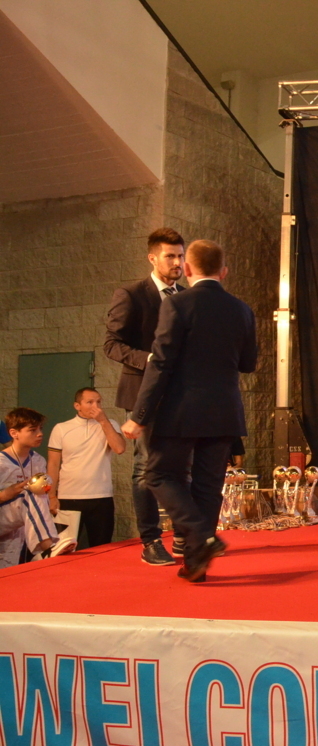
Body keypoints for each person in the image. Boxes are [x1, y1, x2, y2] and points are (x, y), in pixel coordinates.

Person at [122, 240, 258, 583]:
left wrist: (139, 415)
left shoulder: (178, 304)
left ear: (187, 269)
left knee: (158, 475)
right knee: (208, 487)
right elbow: (248, 363)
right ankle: (195, 564)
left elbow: (161, 363)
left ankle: (202, 536)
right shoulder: (242, 309)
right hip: (225, 411)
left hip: (182, 411)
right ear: (224, 271)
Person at [104, 227, 186, 566]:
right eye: (170, 256)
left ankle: (182, 534)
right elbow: (111, 344)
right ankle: (150, 540)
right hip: (142, 393)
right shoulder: (132, 294)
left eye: (181, 256)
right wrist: (149, 359)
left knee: (183, 467)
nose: (177, 262)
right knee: (145, 466)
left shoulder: (187, 296)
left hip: (181, 395)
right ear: (152, 258)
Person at [46, 388, 126, 549]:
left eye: (98, 402)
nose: (96, 406)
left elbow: (119, 448)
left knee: (102, 547)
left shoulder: (110, 424)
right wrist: (52, 496)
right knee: (65, 547)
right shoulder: (61, 428)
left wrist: (103, 421)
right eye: (90, 402)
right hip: (69, 496)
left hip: (101, 496)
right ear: (77, 406)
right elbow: (53, 464)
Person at [0, 408, 61, 568]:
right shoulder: (1, 462)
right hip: (3, 516)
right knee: (28, 494)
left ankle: (47, 546)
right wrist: (6, 494)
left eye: (40, 429)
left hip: (22, 524)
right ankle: (49, 546)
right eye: (33, 430)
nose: (40, 434)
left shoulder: (38, 461)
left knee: (10, 572)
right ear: (14, 433)